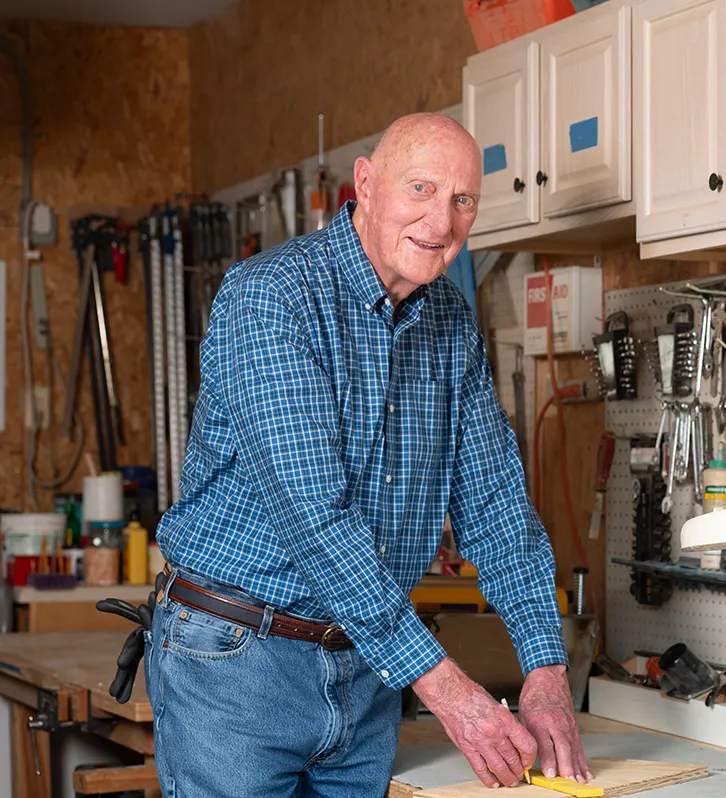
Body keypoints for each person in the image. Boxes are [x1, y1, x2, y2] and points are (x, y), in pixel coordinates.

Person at [144, 112, 590, 796]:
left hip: (368, 672)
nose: (441, 222)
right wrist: (450, 692)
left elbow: (496, 505)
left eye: (461, 200)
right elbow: (313, 519)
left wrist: (546, 671)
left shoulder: (447, 321)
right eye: (420, 189)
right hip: (237, 666)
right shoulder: (273, 298)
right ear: (366, 185)